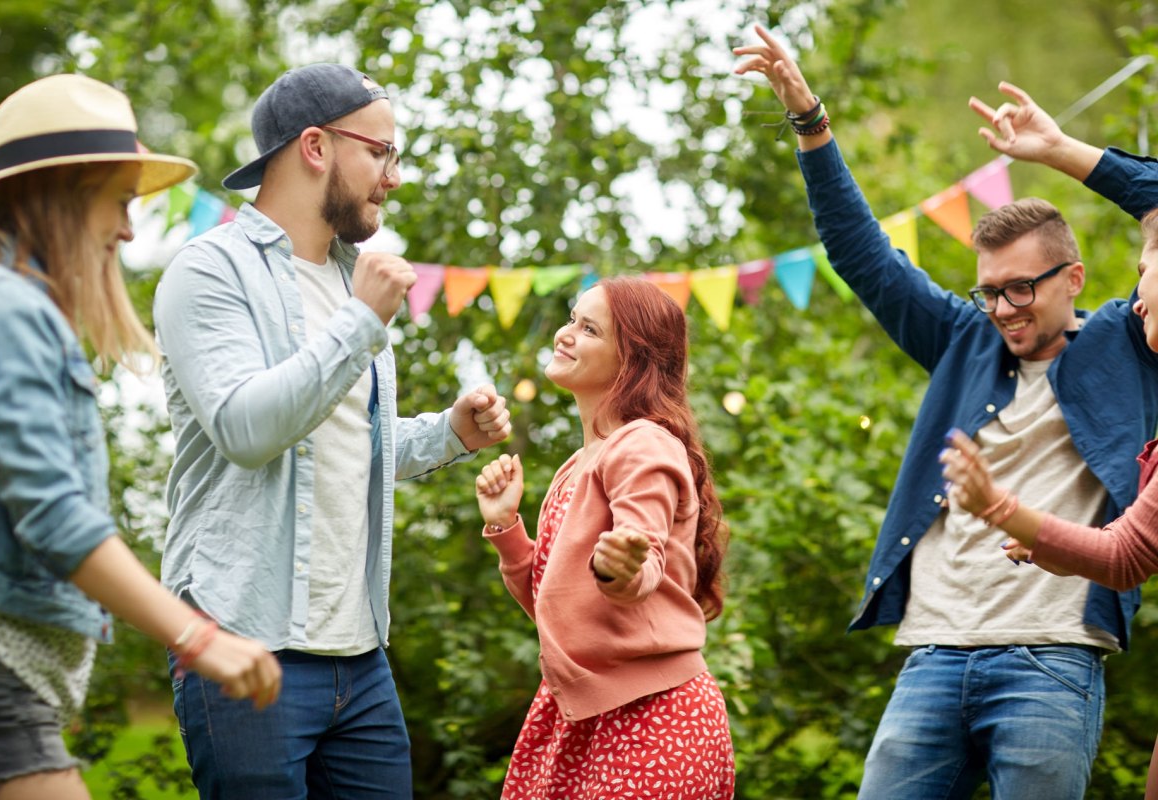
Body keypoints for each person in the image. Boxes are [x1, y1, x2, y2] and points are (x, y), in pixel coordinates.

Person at [733, 26, 1158, 799]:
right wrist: (808, 119)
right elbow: (861, 252)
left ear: (1075, 278)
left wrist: (1062, 151)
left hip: (1052, 658)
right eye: (989, 290)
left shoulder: (1128, 343)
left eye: (1021, 289)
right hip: (933, 656)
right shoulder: (965, 338)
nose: (1002, 309)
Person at [153, 63, 512, 799]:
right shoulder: (208, 272)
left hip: (362, 658)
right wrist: (361, 322)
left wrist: (448, 433)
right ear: (315, 147)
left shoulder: (354, 279)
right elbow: (247, 430)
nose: (394, 177)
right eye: (381, 152)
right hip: (242, 645)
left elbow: (344, 448)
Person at [0, 74, 281, 800]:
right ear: (69, 191)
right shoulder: (5, 308)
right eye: (121, 202)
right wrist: (199, 637)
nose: (131, 230)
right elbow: (54, 517)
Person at [941, 85, 1158, 800]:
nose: (1141, 283)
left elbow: (1124, 557)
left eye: (1151, 267)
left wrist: (1005, 510)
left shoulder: (1119, 348)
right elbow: (1129, 550)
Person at [474, 276, 733, 799]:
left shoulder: (643, 445)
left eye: (589, 329)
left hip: (652, 715)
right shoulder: (579, 463)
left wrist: (624, 567)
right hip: (580, 713)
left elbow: (641, 561)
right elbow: (557, 604)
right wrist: (507, 528)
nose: (565, 335)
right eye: (572, 320)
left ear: (631, 360)